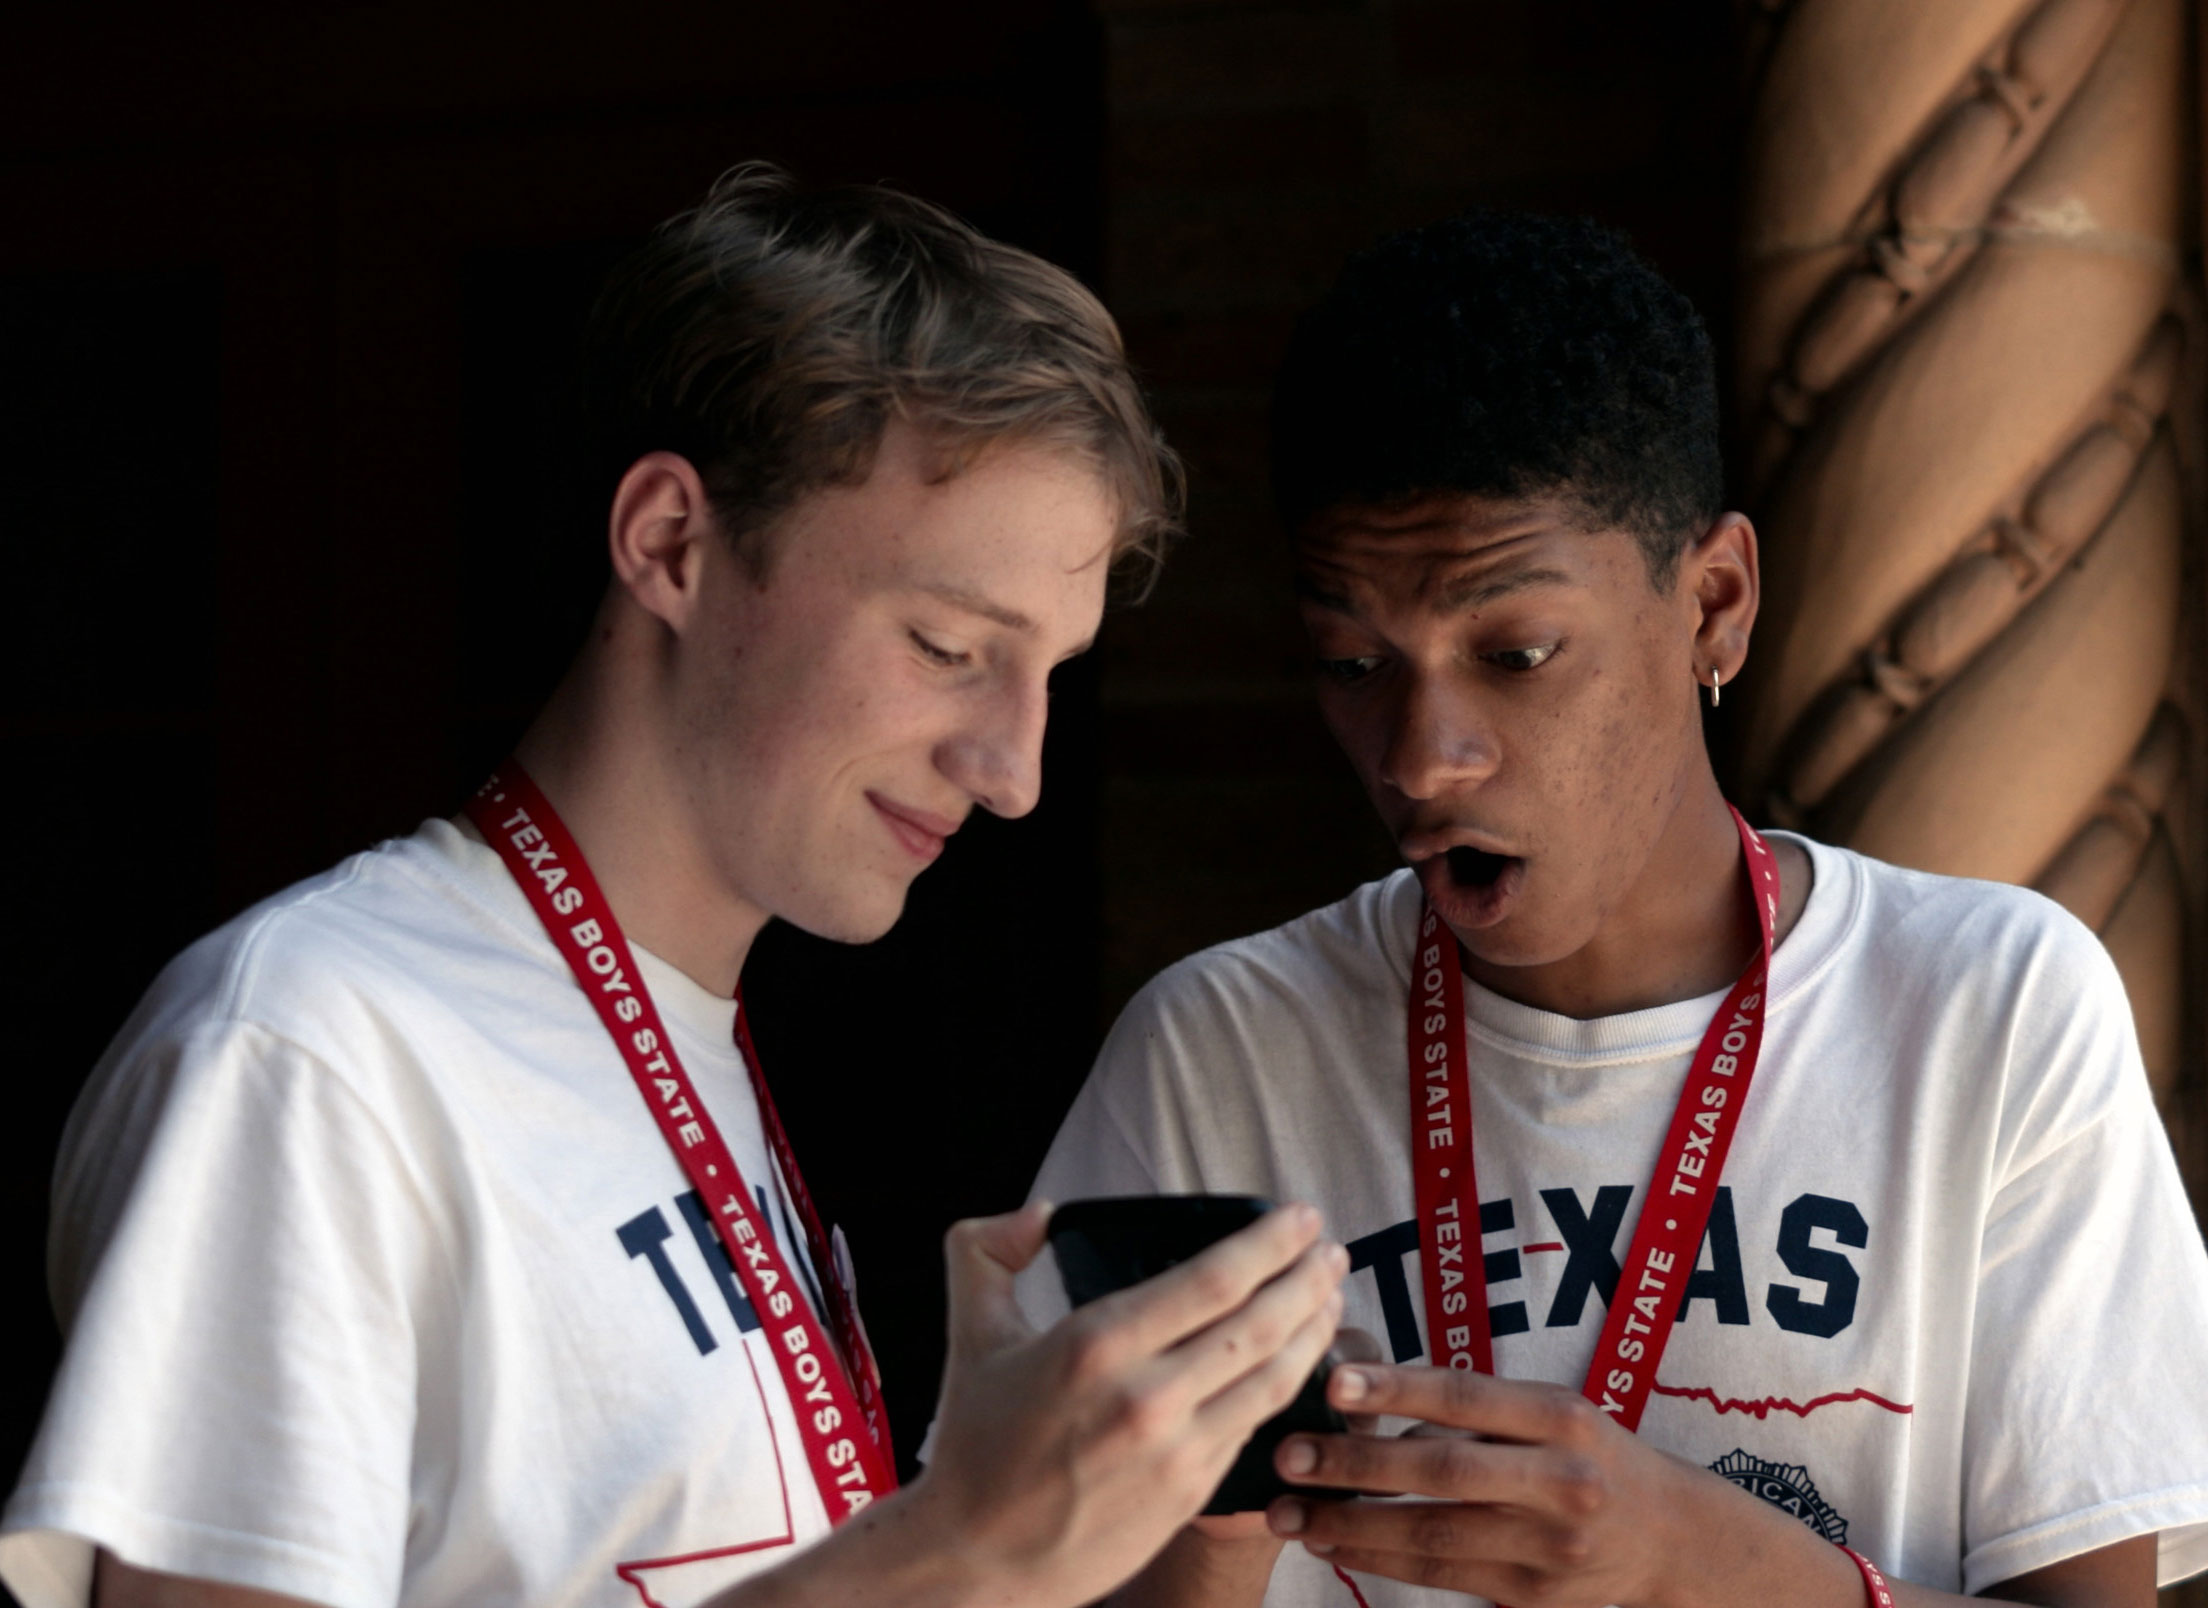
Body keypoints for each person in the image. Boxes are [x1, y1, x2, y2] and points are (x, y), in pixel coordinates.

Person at [0, 165, 1349, 1608]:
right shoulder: (309, 1050)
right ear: (669, 545)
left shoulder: (680, 1042)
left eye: (1048, 677)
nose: (1014, 769)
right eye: (951, 645)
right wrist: (957, 1546)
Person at [1023, 213, 2208, 1608]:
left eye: (1512, 653)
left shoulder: (1982, 1006)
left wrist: (1694, 1566)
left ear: (1714, 607)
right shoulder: (1217, 1055)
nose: (1419, 753)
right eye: (1351, 662)